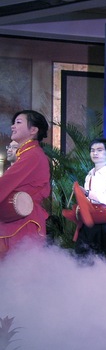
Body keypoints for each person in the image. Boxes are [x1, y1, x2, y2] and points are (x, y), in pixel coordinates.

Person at [0, 110, 50, 258]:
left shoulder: (33, 154)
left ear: (33, 130)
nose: (13, 126)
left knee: (17, 267)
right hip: (17, 218)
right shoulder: (27, 154)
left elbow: (5, 184)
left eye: (18, 122)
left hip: (23, 222)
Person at [75, 138, 106, 257]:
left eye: (99, 150)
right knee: (83, 258)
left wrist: (88, 194)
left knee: (103, 259)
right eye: (92, 150)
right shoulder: (89, 175)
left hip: (105, 224)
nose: (95, 153)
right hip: (88, 223)